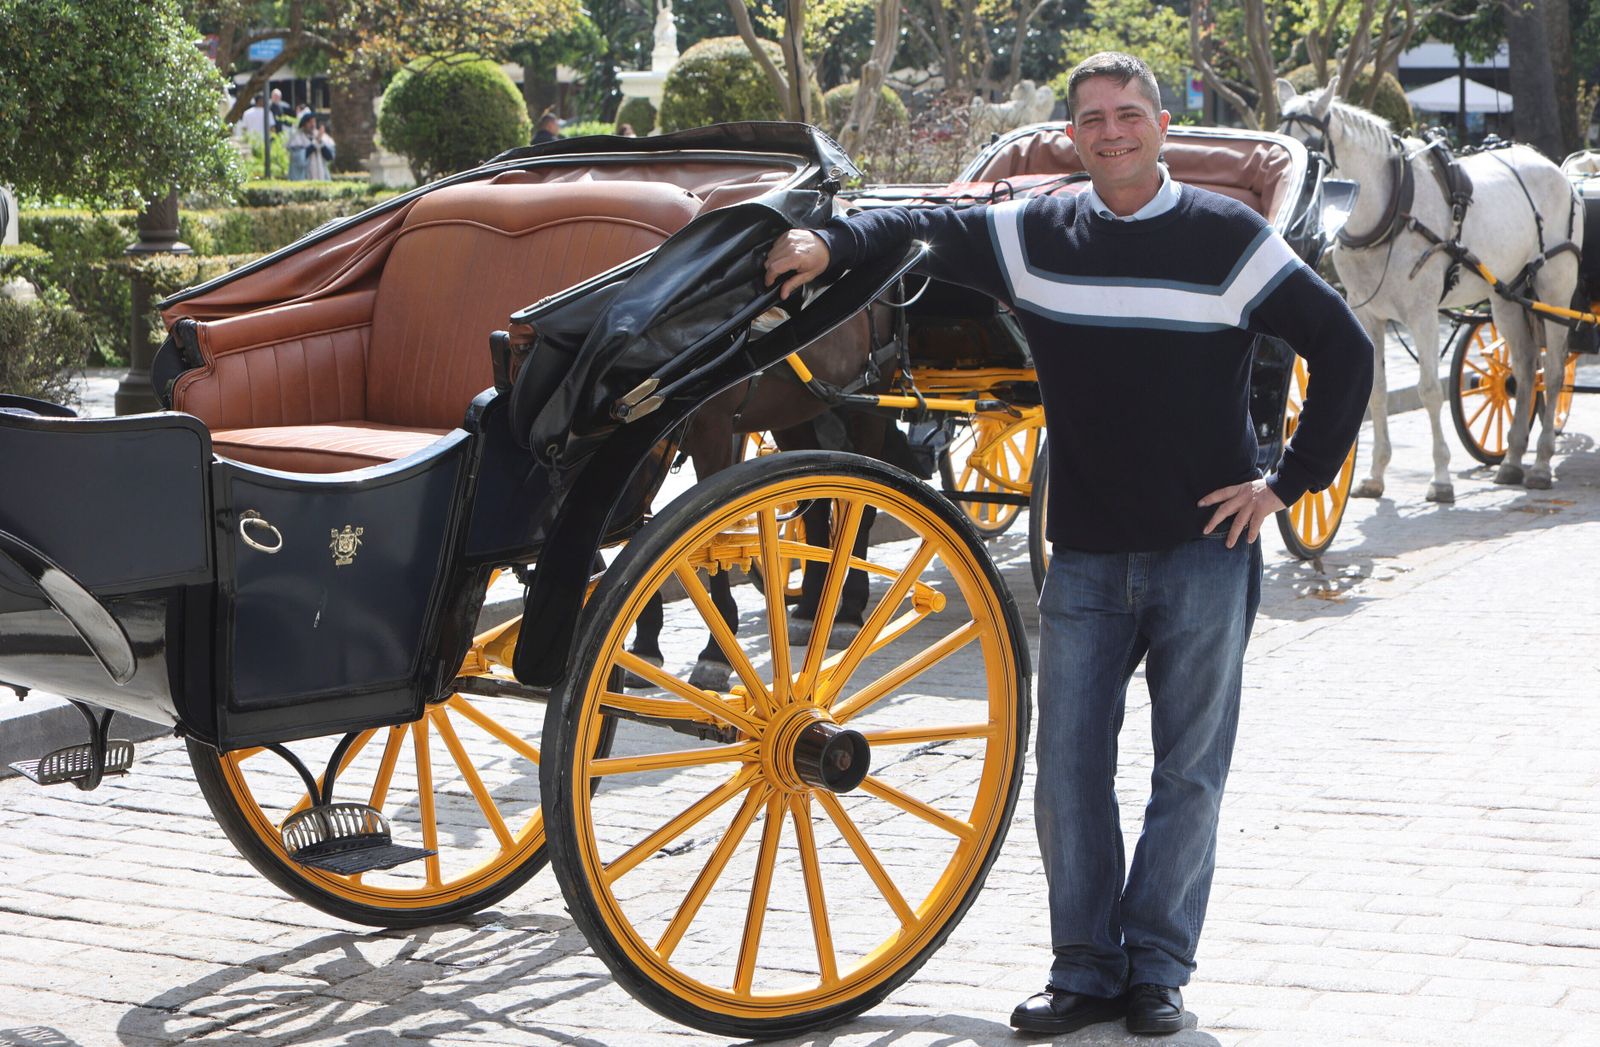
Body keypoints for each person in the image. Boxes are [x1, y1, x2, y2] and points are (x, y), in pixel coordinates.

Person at [764, 51, 1372, 1038]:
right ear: (1073, 136)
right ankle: (1084, 967)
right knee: (1068, 772)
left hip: (1202, 556)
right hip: (1083, 556)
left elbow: (1343, 346)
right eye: (1090, 119)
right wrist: (824, 238)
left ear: (1161, 125)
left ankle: (1157, 971)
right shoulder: (1035, 233)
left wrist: (1286, 485)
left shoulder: (1227, 236)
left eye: (1127, 114)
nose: (1111, 131)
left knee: (1188, 773)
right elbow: (918, 224)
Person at [287, 112, 335, 180]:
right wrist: (315, 143)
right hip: (303, 179)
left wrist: (320, 142)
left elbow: (330, 157)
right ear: (303, 125)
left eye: (314, 122)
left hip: (321, 178)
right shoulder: (297, 139)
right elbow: (299, 160)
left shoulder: (321, 137)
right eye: (309, 122)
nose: (313, 125)